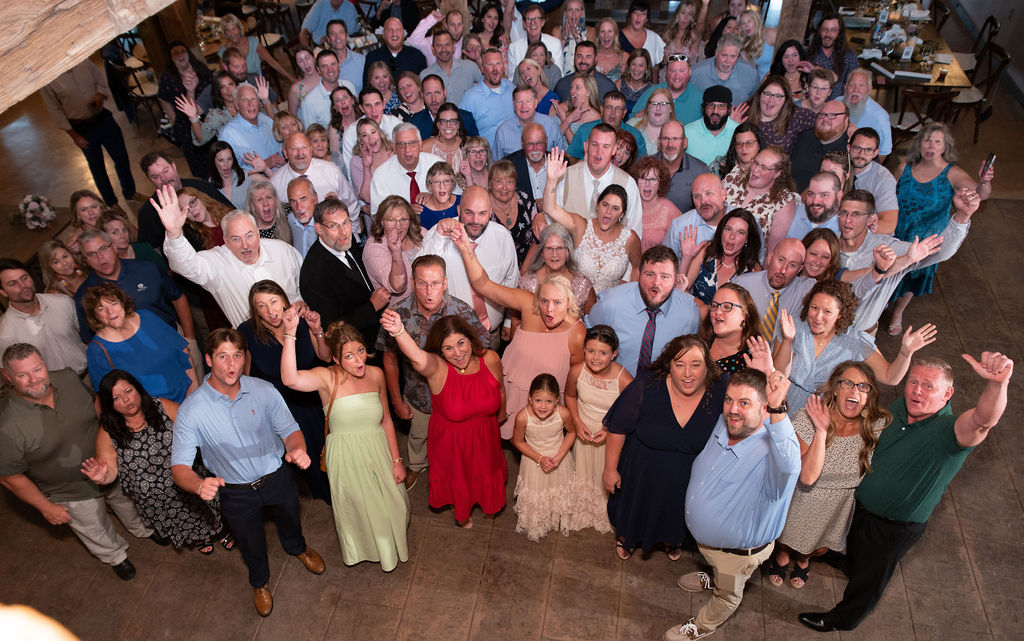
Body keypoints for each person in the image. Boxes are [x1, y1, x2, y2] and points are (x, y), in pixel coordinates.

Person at [798, 351, 1013, 632]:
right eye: (913, 382)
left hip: (893, 527)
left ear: (947, 394)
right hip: (863, 508)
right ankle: (849, 564)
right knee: (857, 548)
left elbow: (983, 419)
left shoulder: (953, 431)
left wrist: (997, 385)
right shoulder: (902, 406)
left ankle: (844, 618)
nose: (917, 392)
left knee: (872, 575)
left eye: (928, 387)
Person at [171, 329, 325, 616]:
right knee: (250, 542)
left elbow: (290, 430)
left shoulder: (264, 391)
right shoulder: (192, 410)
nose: (231, 364)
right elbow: (179, 467)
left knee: (291, 519)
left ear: (245, 359)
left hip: (277, 477)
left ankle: (297, 548)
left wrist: (298, 449)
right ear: (208, 359)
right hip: (236, 493)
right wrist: (197, 484)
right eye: (223, 356)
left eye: (237, 355)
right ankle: (259, 582)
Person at [0, 344, 153, 581]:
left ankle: (141, 529)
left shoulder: (68, 378)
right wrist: (46, 507)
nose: (33, 379)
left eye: (37, 369)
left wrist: (113, 439)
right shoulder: (7, 427)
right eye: (22, 375)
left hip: (107, 464)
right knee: (94, 527)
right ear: (7, 377)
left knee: (127, 501)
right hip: (68, 490)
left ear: (45, 364)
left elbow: (96, 403)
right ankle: (115, 556)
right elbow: (10, 477)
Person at [667, 369, 800, 640]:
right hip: (711, 546)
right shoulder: (728, 422)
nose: (732, 410)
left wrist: (778, 408)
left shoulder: (773, 457)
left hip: (735, 556)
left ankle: (704, 624)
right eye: (729, 400)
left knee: (728, 594)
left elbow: (789, 465)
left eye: (744, 403)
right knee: (717, 568)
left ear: (766, 409)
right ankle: (713, 576)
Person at [280, 309, 410, 570]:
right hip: (346, 456)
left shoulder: (376, 375)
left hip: (377, 449)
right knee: (361, 511)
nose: (359, 360)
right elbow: (290, 379)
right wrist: (290, 334)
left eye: (361, 351)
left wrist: (397, 460)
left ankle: (393, 547)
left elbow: (385, 420)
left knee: (396, 505)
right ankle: (375, 552)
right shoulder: (327, 378)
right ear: (337, 360)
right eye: (349, 356)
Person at [449, 224, 586, 438]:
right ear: (536, 299)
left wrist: (576, 416)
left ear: (569, 303)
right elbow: (483, 284)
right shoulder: (527, 304)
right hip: (514, 389)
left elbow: (578, 377)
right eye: (544, 301)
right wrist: (466, 248)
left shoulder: (576, 331)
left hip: (547, 399)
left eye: (558, 303)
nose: (549, 309)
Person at [604, 334, 727, 562]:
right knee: (634, 513)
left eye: (695, 365)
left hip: (687, 478)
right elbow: (617, 427)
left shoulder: (721, 390)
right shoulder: (647, 385)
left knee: (675, 516)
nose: (687, 373)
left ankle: (673, 538)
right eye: (679, 365)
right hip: (641, 473)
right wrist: (610, 469)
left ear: (708, 368)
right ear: (669, 366)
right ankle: (628, 537)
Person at [379, 310, 507, 528]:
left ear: (470, 339)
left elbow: (501, 390)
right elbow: (417, 357)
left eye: (461, 343)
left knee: (485, 474)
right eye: (448, 348)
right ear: (439, 351)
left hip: (486, 435)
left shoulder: (491, 358)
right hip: (453, 443)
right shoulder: (437, 369)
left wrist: (501, 415)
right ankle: (462, 510)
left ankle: (486, 500)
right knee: (460, 481)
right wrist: (399, 331)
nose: (457, 353)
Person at [768, 362, 891, 589]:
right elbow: (804, 475)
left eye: (864, 387)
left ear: (869, 395)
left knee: (818, 547)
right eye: (848, 384)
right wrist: (821, 431)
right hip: (802, 498)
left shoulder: (876, 427)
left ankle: (804, 560)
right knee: (787, 539)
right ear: (835, 389)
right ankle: (782, 557)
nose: (855, 391)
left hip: (837, 505)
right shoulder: (807, 419)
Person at [85, 370, 229, 553]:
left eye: (128, 391)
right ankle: (202, 537)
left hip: (187, 478)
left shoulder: (162, 406)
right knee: (184, 522)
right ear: (110, 404)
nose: (127, 400)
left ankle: (220, 530)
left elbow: (194, 426)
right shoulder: (108, 431)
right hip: (157, 499)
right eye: (117, 398)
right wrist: (101, 476)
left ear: (137, 389)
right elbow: (110, 472)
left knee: (209, 508)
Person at [377, 255, 488, 490]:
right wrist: (397, 401)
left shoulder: (461, 312)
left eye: (435, 283)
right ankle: (416, 465)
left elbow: (482, 352)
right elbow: (390, 360)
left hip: (455, 400)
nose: (429, 291)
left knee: (454, 447)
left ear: (445, 283)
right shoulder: (398, 314)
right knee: (418, 437)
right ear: (412, 282)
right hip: (418, 396)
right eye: (422, 283)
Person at [888, 123, 993, 335]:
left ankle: (898, 311)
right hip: (899, 230)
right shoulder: (903, 167)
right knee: (890, 268)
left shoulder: (951, 172)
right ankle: (883, 301)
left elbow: (980, 194)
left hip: (928, 235)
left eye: (937, 141)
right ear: (919, 143)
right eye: (927, 140)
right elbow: (887, 195)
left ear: (945, 146)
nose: (931, 145)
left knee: (912, 276)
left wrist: (984, 181)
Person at [773, 279, 936, 412]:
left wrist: (905, 352)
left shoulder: (855, 342)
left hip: (819, 416)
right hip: (780, 402)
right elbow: (777, 373)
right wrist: (788, 340)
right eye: (814, 308)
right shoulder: (793, 326)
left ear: (840, 314)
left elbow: (890, 376)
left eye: (827, 312)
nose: (818, 316)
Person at [236, 281, 333, 503]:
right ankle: (323, 491)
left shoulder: (298, 321)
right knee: (304, 452)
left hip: (313, 396)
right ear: (255, 310)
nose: (270, 311)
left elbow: (326, 357)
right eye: (261, 306)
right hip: (282, 405)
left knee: (329, 444)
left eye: (273, 302)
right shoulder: (247, 332)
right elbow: (246, 376)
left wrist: (317, 329)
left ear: (284, 301)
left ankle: (338, 485)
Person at [154, 188, 303, 327]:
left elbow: (303, 285)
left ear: (258, 233)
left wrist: (302, 303)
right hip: (258, 348)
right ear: (225, 241)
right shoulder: (217, 263)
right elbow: (186, 265)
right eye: (236, 239)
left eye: (249, 236)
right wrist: (174, 233)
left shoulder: (283, 251)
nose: (245, 245)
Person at [836, 189, 980, 332]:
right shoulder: (826, 245)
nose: (847, 220)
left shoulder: (889, 248)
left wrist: (962, 216)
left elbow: (941, 252)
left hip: (860, 336)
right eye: (844, 212)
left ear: (871, 219)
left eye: (856, 214)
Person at [417, 186, 519, 344]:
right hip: (452, 340)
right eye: (469, 212)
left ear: (490, 212)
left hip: (493, 334)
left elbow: (511, 282)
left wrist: (508, 321)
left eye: (482, 213)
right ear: (458, 209)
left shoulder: (502, 237)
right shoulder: (437, 235)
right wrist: (439, 239)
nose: (475, 221)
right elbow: (420, 277)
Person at [585, 245, 701, 377]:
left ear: (675, 280)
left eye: (665, 276)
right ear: (639, 275)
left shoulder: (689, 313)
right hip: (614, 389)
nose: (656, 283)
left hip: (663, 391)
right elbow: (586, 339)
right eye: (650, 274)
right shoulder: (609, 304)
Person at [41, 59, 138, 208]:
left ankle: (130, 194)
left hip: (103, 119)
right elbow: (55, 111)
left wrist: (100, 94)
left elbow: (99, 79)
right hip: (81, 128)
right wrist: (74, 136)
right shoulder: (48, 80)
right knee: (98, 168)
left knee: (122, 158)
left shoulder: (83, 62)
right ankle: (112, 204)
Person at [544, 149, 641, 293]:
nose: (608, 211)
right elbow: (550, 209)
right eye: (605, 205)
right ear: (597, 206)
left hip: (609, 307)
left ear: (621, 214)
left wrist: (625, 293)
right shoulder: (581, 226)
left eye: (615, 208)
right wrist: (552, 180)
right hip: (575, 302)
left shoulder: (630, 238)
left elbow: (637, 267)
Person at [82, 283, 197, 403]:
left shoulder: (147, 317)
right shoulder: (97, 351)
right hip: (156, 415)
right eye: (101, 309)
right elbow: (108, 397)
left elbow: (182, 350)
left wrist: (194, 389)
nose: (110, 312)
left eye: (114, 303)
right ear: (94, 315)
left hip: (190, 397)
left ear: (122, 302)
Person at [564, 325, 630, 534]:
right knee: (581, 472)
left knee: (604, 473)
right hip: (582, 434)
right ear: (584, 350)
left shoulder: (624, 381)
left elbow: (630, 417)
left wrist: (609, 430)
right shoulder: (577, 371)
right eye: (591, 351)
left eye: (603, 352)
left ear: (614, 354)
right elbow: (570, 396)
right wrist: (576, 421)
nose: (595, 358)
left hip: (609, 439)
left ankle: (605, 510)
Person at [74, 229, 194, 343]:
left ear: (114, 247)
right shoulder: (85, 294)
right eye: (91, 254)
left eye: (103, 248)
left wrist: (190, 338)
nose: (100, 257)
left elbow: (178, 298)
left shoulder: (146, 268)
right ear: (85, 260)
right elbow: (90, 339)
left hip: (173, 338)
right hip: (133, 359)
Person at [300, 198, 389, 347]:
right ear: (319, 229)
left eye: (345, 223)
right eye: (333, 226)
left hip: (381, 332)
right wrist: (372, 306)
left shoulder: (345, 241)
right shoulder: (313, 273)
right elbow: (332, 326)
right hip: (356, 346)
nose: (343, 232)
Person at [510, 374, 577, 541]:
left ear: (556, 401)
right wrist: (539, 459)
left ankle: (555, 515)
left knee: (557, 489)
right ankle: (539, 519)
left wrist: (560, 456)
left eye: (549, 401)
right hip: (534, 460)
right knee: (537, 492)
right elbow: (518, 442)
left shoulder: (563, 413)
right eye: (538, 400)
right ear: (530, 398)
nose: (543, 406)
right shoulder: (523, 417)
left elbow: (572, 432)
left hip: (558, 458)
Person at [553, 126, 643, 239]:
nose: (599, 152)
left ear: (614, 150)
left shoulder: (628, 184)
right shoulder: (565, 177)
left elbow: (634, 232)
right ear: (586, 146)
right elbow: (553, 222)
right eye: (595, 144)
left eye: (606, 146)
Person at [0, 259, 86, 375]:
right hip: (55, 390)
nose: (23, 285)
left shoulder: (62, 302)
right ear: (3, 292)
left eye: (24, 278)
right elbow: (8, 374)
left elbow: (87, 337)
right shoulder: (4, 333)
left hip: (89, 373)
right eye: (12, 283)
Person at [269, 132, 361, 237]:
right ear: (285, 152)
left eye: (304, 148)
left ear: (311, 150)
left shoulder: (331, 171)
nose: (300, 153)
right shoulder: (275, 183)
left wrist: (353, 236)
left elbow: (351, 203)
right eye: (294, 149)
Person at [724, 146, 799, 253]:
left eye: (763, 167)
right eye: (756, 163)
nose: (755, 169)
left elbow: (772, 252)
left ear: (778, 173)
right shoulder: (734, 177)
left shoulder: (783, 203)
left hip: (749, 261)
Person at [682, 208, 761, 308]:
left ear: (747, 239)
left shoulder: (752, 270)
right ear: (721, 230)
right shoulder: (705, 252)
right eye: (728, 229)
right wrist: (686, 258)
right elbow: (681, 288)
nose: (732, 236)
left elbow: (752, 312)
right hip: (696, 318)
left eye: (740, 232)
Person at [157, 41, 214, 179]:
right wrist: (173, 117)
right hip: (185, 125)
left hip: (209, 120)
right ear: (171, 58)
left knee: (214, 156)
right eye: (175, 53)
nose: (180, 55)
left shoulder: (201, 69)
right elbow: (162, 97)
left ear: (188, 53)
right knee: (198, 162)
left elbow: (214, 89)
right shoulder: (168, 77)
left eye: (182, 51)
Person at [519, 223, 597, 316]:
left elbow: (592, 324)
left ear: (567, 252)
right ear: (542, 253)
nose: (554, 254)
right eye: (549, 248)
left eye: (560, 248)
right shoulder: (526, 284)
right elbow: (516, 321)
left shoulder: (583, 285)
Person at [369, 123, 446, 216]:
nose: (407, 150)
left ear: (420, 145)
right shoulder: (381, 175)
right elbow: (376, 214)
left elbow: (455, 197)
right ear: (394, 147)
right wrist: (403, 211)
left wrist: (436, 197)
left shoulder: (437, 164)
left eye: (412, 143)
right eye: (401, 144)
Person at [363, 196, 423, 303]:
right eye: (391, 220)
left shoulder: (421, 233)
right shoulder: (374, 249)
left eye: (403, 219)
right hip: (400, 312)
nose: (398, 226)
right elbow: (397, 286)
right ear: (381, 221)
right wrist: (396, 254)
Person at [698, 283, 764, 373]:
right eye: (714, 306)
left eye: (727, 307)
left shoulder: (755, 358)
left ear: (745, 314)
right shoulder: (700, 341)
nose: (717, 311)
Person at [218, 83, 282, 173]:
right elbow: (229, 172)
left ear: (259, 102)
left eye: (253, 99)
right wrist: (265, 164)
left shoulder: (266, 120)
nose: (250, 104)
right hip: (259, 184)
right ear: (236, 105)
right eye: (245, 100)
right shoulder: (228, 134)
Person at [664, 171, 729, 260]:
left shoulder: (743, 221)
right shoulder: (680, 226)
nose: (703, 201)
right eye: (697, 196)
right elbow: (663, 263)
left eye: (708, 193)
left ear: (723, 194)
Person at [567, 91, 647, 161]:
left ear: (624, 113)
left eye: (618, 109)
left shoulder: (635, 135)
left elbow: (641, 165)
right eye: (609, 107)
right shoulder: (585, 130)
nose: (613, 112)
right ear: (602, 109)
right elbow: (570, 157)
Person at [460, 49, 516, 148]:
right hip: (488, 159)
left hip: (516, 154)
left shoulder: (512, 89)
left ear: (503, 67)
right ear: (482, 69)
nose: (495, 68)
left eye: (498, 64)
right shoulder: (470, 98)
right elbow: (461, 132)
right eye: (490, 65)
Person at [631, 50, 703, 126]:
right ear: (666, 73)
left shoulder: (699, 98)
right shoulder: (653, 92)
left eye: (681, 71)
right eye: (672, 71)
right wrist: (640, 116)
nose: (677, 76)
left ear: (689, 72)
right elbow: (632, 121)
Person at [487, 160, 538, 266]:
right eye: (499, 181)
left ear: (515, 184)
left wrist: (524, 271)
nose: (504, 187)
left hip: (528, 266)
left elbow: (538, 240)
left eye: (509, 182)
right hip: (492, 266)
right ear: (490, 183)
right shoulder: (482, 204)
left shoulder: (525, 200)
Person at [847, 128, 899, 234]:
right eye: (857, 148)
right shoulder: (837, 166)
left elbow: (889, 224)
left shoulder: (883, 179)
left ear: (875, 153)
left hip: (868, 235)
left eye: (868, 150)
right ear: (848, 147)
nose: (861, 154)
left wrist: (857, 230)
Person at [493, 86, 565, 161]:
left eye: (528, 101)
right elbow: (497, 167)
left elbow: (560, 158)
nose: (524, 106)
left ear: (535, 103)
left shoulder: (550, 125)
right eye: (519, 102)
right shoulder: (503, 131)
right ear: (514, 106)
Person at [791, 101, 851, 192]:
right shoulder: (804, 137)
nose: (825, 119)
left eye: (833, 115)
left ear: (846, 120)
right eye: (822, 114)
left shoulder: (851, 150)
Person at [749, 75, 815, 156]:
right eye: (767, 94)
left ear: (786, 100)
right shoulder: (743, 114)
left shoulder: (798, 116)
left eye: (778, 96)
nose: (771, 100)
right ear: (760, 94)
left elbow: (824, 122)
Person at [341, 88, 402, 174]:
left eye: (377, 104)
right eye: (368, 105)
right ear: (361, 108)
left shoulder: (395, 124)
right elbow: (351, 174)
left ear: (384, 104)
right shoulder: (351, 134)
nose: (374, 110)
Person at [218, 13, 293, 81]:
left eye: (234, 28)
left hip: (257, 84)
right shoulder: (223, 52)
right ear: (224, 33)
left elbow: (272, 62)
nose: (232, 33)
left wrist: (291, 78)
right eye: (227, 30)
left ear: (239, 28)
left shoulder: (253, 42)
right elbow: (225, 78)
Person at [690, 34, 759, 105]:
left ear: (738, 56)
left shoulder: (751, 74)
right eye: (724, 55)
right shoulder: (696, 73)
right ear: (716, 53)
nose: (727, 61)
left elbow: (755, 101)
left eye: (732, 56)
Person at [632, 156, 683, 251]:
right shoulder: (630, 206)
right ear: (636, 181)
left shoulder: (670, 210)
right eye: (643, 178)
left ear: (660, 184)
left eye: (653, 179)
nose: (647, 184)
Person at [660, 121, 711, 214]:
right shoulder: (646, 167)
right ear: (659, 142)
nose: (670, 144)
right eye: (665, 138)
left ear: (685, 143)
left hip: (687, 227)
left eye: (675, 139)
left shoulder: (700, 171)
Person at [420, 30, 481, 107]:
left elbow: (488, 86)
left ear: (453, 47)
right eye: (439, 46)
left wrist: (479, 59)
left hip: (469, 117)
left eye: (447, 45)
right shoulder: (425, 75)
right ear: (433, 50)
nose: (444, 49)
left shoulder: (469, 66)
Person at [364, 17, 428, 91]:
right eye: (390, 30)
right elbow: (367, 88)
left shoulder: (417, 56)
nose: (394, 34)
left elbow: (424, 86)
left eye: (398, 30)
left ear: (403, 34)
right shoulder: (372, 57)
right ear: (383, 34)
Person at [806, 13, 859, 100]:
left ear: (839, 33)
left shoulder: (849, 56)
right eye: (824, 29)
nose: (828, 34)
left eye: (833, 30)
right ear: (819, 31)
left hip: (837, 106)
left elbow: (852, 86)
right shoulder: (809, 53)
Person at [351, 118, 396, 217]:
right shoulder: (357, 161)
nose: (371, 138)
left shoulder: (394, 149)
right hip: (377, 216)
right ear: (360, 140)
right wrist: (366, 167)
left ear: (380, 133)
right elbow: (367, 198)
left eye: (373, 132)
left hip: (401, 208)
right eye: (364, 135)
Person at [684, 85, 740, 166]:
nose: (715, 111)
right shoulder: (687, 132)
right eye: (711, 105)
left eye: (721, 106)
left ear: (729, 109)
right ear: (703, 108)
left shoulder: (738, 132)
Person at [842, 69, 892, 159]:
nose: (855, 90)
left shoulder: (880, 117)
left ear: (869, 89)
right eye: (851, 85)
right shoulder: (837, 103)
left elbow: (883, 152)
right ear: (845, 87)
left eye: (861, 85)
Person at [507, 5, 565, 78]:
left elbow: (559, 76)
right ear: (524, 24)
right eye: (529, 19)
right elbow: (512, 78)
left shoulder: (555, 44)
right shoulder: (514, 48)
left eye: (536, 18)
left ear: (543, 22)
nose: (532, 22)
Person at [786, 171, 843, 241]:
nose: (815, 201)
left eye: (824, 195)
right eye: (811, 194)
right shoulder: (791, 215)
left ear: (839, 196)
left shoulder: (843, 227)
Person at [298, 50, 343, 129]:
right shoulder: (309, 102)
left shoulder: (349, 87)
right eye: (324, 66)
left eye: (333, 64)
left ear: (339, 66)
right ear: (318, 70)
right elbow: (311, 135)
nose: (330, 69)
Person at [505, 123, 549, 201]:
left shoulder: (561, 163)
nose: (535, 148)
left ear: (546, 143)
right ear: (522, 144)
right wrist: (531, 205)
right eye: (530, 144)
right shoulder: (509, 165)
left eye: (539, 143)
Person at [325, 19, 366, 95]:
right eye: (333, 34)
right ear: (328, 39)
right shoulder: (323, 66)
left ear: (347, 36)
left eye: (341, 32)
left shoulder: (362, 60)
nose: (337, 37)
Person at [551, 0, 596, 66]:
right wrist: (565, 36)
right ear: (565, 12)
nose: (573, 14)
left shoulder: (591, 31)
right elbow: (553, 57)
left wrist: (576, 35)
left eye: (577, 10)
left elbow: (588, 55)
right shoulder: (557, 31)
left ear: (582, 12)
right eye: (570, 10)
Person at [662, 0, 708, 65]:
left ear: (692, 17)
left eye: (690, 14)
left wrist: (705, 5)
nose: (685, 18)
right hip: (667, 74)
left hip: (690, 74)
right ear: (677, 14)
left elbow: (700, 24)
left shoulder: (694, 35)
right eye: (683, 13)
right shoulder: (668, 34)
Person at [737, 8, 776, 77]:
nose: (746, 26)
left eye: (749, 21)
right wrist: (744, 56)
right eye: (743, 23)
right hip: (758, 80)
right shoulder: (747, 43)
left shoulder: (770, 33)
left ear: (756, 21)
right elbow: (753, 69)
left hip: (774, 78)